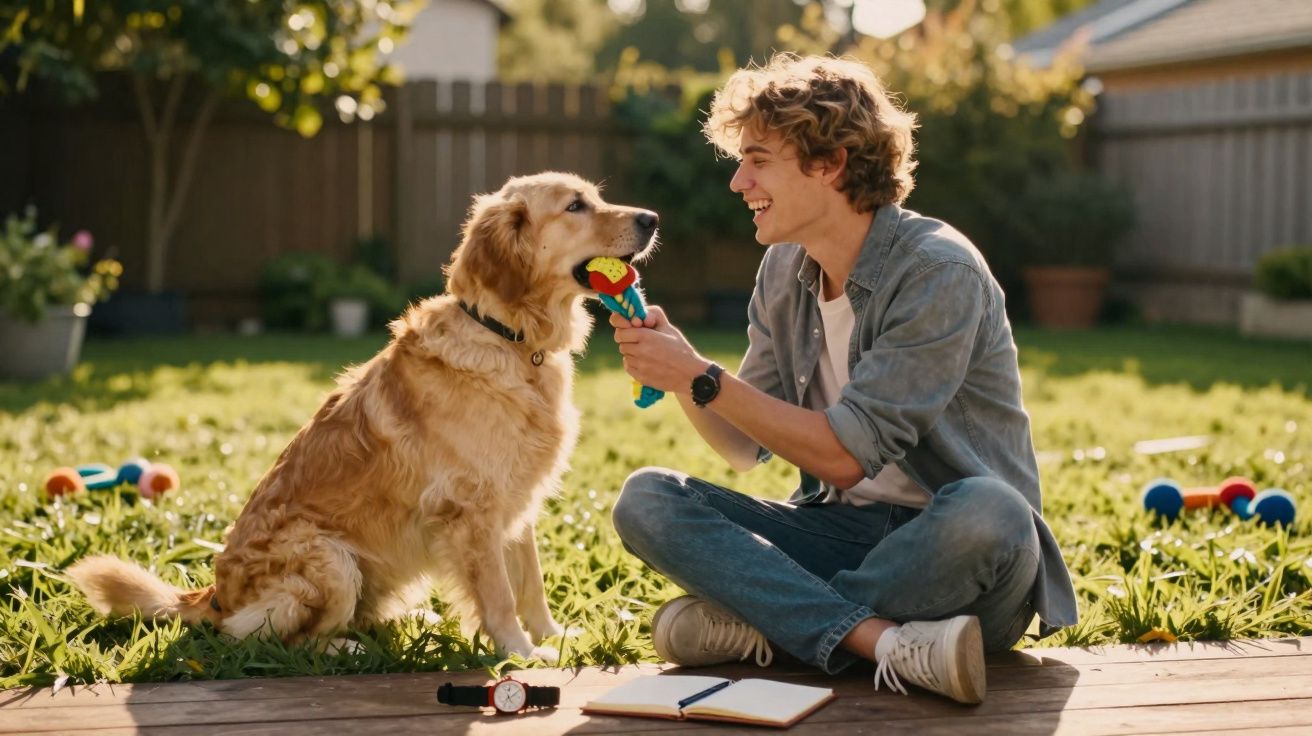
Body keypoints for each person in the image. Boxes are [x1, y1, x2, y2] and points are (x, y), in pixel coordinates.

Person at [608, 54, 1077, 705]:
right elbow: (742, 448)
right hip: (841, 537)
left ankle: (769, 628)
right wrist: (684, 370)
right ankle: (884, 643)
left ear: (830, 162)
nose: (739, 180)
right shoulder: (781, 270)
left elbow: (844, 456)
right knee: (648, 499)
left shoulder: (938, 272)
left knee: (991, 509)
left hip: (963, 563)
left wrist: (703, 376)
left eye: (759, 159)